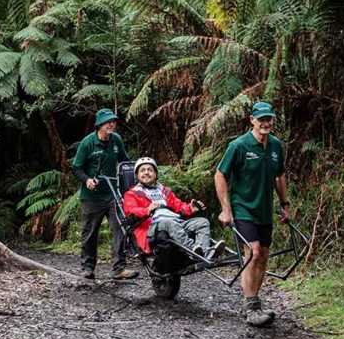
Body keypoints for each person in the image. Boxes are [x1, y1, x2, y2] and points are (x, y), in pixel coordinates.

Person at [215, 101, 290, 326]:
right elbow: (220, 175)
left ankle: (254, 300)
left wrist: (285, 203)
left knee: (264, 255)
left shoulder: (276, 146)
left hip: (264, 209)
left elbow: (279, 176)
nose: (266, 123)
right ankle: (251, 306)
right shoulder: (238, 146)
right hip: (242, 207)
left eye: (269, 119)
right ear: (252, 121)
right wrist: (226, 209)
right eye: (261, 119)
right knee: (253, 252)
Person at [71, 108, 139, 280]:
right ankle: (88, 268)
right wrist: (87, 180)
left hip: (113, 194)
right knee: (90, 232)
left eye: (113, 121)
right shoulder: (88, 143)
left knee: (119, 228)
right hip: (92, 197)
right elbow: (76, 167)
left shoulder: (116, 140)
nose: (111, 124)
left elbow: (125, 162)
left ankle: (119, 268)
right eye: (108, 121)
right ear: (99, 125)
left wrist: (138, 175)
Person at [123, 157, 225, 259]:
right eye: (142, 170)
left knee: (202, 222)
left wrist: (190, 208)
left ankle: (205, 252)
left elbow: (178, 205)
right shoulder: (132, 194)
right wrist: (147, 210)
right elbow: (130, 210)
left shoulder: (164, 191)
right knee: (169, 223)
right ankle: (192, 251)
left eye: (150, 170)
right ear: (137, 175)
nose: (146, 173)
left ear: (155, 174)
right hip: (152, 226)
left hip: (176, 222)